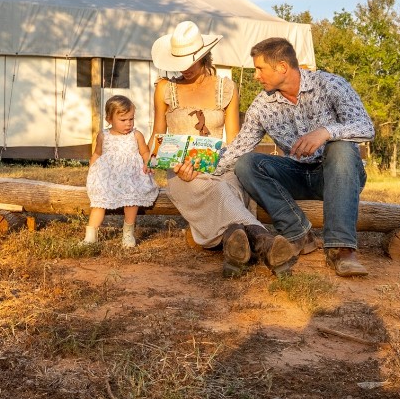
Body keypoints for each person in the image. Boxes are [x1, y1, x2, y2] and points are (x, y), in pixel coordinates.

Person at [217, 37, 375, 278]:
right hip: (297, 175)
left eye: (260, 69)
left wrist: (326, 132)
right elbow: (239, 147)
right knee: (246, 163)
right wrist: (206, 170)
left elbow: (366, 126)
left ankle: (342, 250)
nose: (256, 76)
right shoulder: (262, 105)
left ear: (281, 67)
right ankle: (298, 233)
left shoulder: (330, 84)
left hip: (339, 175)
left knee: (342, 148)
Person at [151, 21, 294, 278]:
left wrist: (222, 166)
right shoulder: (165, 88)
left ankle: (233, 240)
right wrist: (155, 162)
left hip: (220, 166)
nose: (183, 70)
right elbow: (157, 137)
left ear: (203, 55)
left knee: (226, 183)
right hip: (182, 173)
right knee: (214, 188)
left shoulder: (226, 88)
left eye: (189, 62)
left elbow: (236, 141)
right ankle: (264, 240)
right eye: (178, 64)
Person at [83, 95, 159, 248]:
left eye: (131, 119)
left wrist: (147, 162)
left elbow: (144, 152)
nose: (128, 124)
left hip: (131, 176)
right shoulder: (103, 135)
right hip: (109, 176)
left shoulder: (136, 135)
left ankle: (128, 232)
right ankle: (90, 236)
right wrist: (92, 169)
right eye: (123, 120)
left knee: (132, 199)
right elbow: (98, 153)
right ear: (109, 119)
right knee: (99, 201)